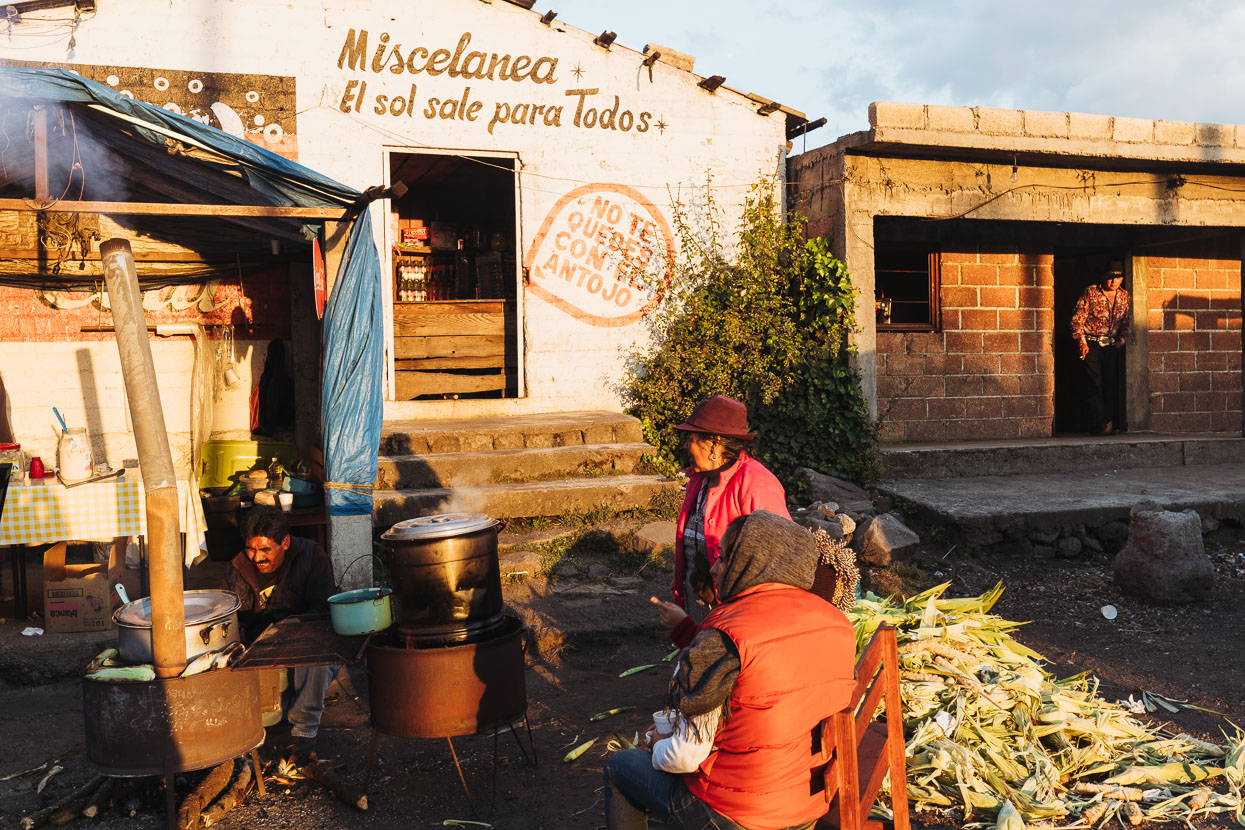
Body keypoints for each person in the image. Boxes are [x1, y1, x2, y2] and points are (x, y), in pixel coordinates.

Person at [604, 510, 857, 830]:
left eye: (723, 557)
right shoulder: (837, 623)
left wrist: (656, 745)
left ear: (752, 564)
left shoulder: (726, 635)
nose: (713, 567)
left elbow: (686, 756)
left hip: (736, 815)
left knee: (620, 766)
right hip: (805, 809)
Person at [655, 395, 790, 646]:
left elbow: (779, 559)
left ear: (714, 444)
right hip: (698, 607)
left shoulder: (757, 485)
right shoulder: (700, 479)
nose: (687, 447)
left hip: (738, 618)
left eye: (692, 440)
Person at [223, 505, 338, 759]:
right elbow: (234, 621)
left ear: (285, 543)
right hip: (262, 651)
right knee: (271, 719)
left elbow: (323, 610)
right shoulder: (237, 567)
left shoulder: (311, 556)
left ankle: (304, 739)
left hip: (305, 642)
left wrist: (289, 626)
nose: (257, 558)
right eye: (251, 549)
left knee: (315, 660)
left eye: (265, 550)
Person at [1070, 260, 1130, 436]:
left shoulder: (1124, 296)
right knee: (1093, 384)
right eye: (1110, 277)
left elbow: (1125, 321)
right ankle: (1100, 426)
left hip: (1110, 344)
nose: (1113, 281)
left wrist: (1122, 339)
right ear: (1103, 277)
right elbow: (1077, 320)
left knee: (1109, 384)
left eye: (1117, 278)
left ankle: (1108, 423)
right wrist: (1081, 342)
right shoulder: (1091, 292)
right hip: (1091, 343)